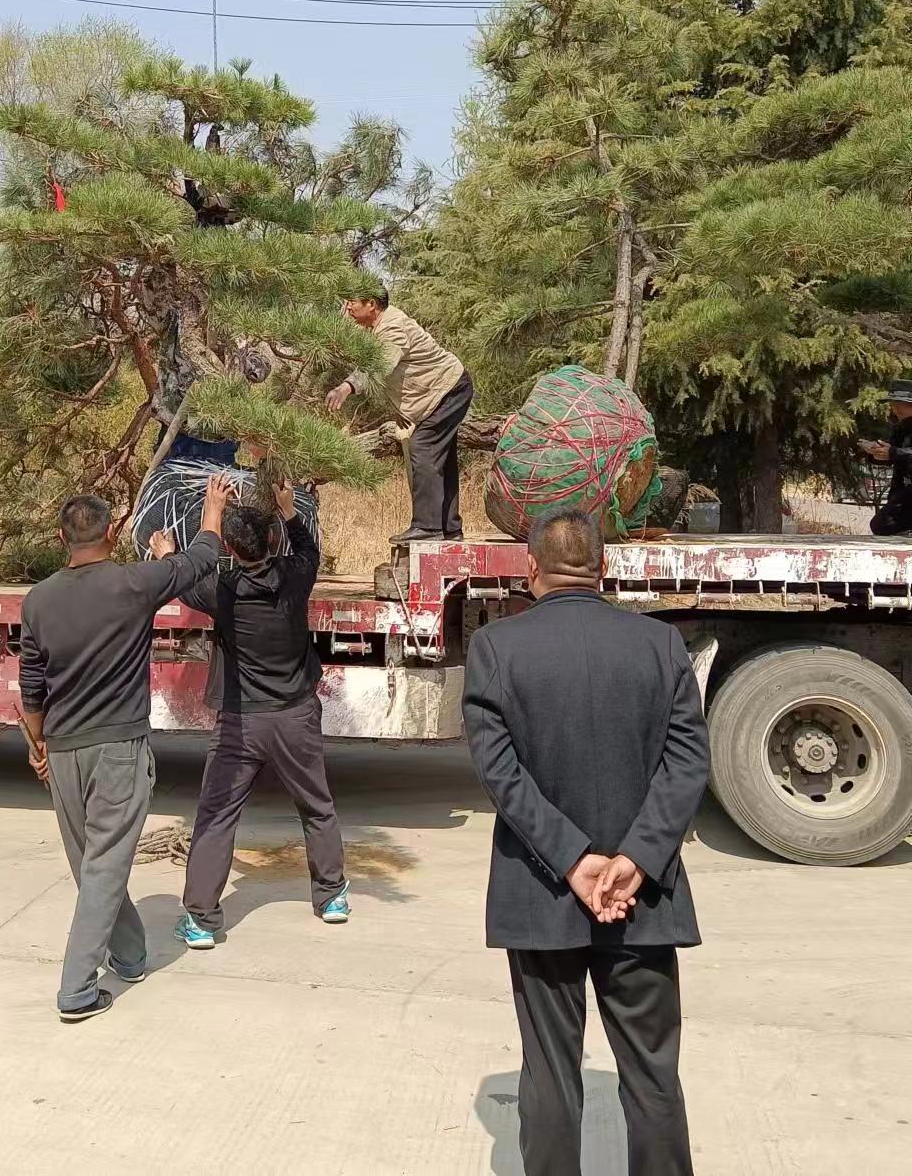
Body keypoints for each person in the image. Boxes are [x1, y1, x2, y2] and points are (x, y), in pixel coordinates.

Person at [463, 508, 709, 1176]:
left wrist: (573, 860)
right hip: (642, 899)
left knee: (548, 1074)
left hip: (541, 894)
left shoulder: (497, 649)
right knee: (652, 1076)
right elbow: (687, 764)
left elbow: (501, 776)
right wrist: (636, 859)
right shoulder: (658, 645)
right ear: (603, 567)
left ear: (531, 568)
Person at [18, 473, 234, 1024]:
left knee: (93, 864)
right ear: (112, 532)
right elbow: (201, 559)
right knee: (104, 867)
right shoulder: (133, 584)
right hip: (117, 749)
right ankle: (76, 989)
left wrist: (37, 743)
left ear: (62, 537)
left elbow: (31, 682)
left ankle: (130, 955)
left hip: (62, 749)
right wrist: (211, 508)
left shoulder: (38, 599)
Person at [148, 478, 349, 944]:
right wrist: (289, 508)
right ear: (272, 541)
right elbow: (308, 546)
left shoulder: (222, 590)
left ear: (230, 550)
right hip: (296, 715)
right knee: (317, 806)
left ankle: (201, 920)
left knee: (217, 815)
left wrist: (173, 547)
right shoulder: (297, 576)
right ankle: (331, 897)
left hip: (241, 724)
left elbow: (185, 574)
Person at [326, 289, 474, 543]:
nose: (347, 307)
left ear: (371, 304)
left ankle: (428, 528)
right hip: (443, 391)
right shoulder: (374, 327)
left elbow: (378, 367)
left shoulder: (392, 328)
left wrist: (346, 387)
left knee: (423, 447)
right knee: (441, 458)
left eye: (352, 302)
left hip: (448, 389)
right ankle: (449, 528)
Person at [859, 378, 912, 536]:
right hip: (904, 492)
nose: (895, 408)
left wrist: (894, 453)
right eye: (893, 404)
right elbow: (893, 455)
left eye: (899, 403)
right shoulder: (900, 428)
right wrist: (877, 453)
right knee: (881, 525)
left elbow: (897, 453)